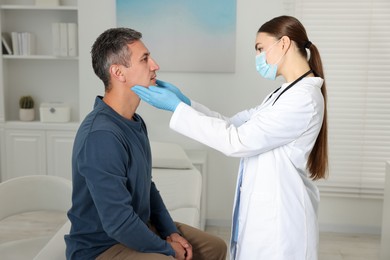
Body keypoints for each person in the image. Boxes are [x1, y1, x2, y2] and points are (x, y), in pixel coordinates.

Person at [132, 15, 328, 260]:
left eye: (260, 49)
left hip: (280, 223)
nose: (258, 57)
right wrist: (185, 103)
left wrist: (176, 109)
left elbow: (237, 141)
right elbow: (232, 123)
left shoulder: (302, 99)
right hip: (267, 214)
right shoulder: (283, 93)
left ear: (284, 43)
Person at [64, 27, 227, 260]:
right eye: (145, 59)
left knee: (215, 247)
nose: (155, 65)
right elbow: (118, 223)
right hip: (101, 248)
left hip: (138, 225)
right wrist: (167, 248)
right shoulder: (101, 135)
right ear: (118, 72)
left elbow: (146, 186)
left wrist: (170, 231)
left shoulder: (134, 122)